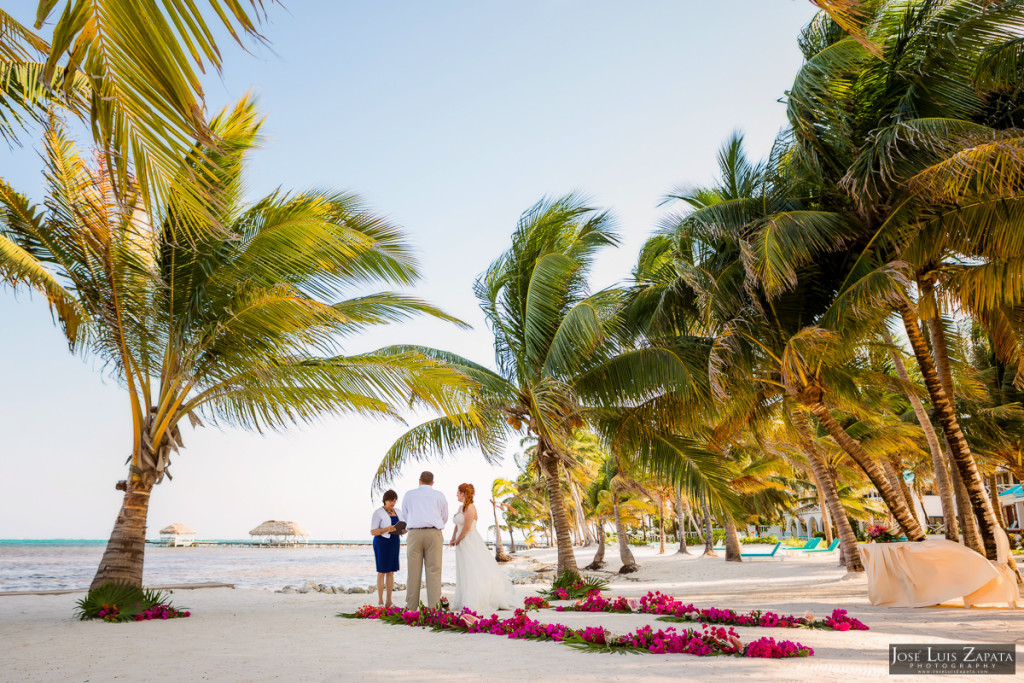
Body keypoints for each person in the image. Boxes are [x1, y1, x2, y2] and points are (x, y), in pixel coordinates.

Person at [450, 482, 516, 614]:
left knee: (473, 568)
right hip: (461, 542)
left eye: (458, 492)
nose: (456, 494)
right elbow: (457, 525)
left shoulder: (470, 507)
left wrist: (458, 539)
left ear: (463, 493)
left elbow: (467, 527)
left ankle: (476, 599)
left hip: (469, 541)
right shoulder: (460, 507)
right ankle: (463, 598)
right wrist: (453, 538)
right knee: (463, 569)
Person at [402, 471, 448, 610]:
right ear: (432, 483)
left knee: (413, 572)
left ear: (419, 480)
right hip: (434, 533)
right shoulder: (439, 495)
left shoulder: (409, 495)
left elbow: (405, 515)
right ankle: (434, 609)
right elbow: (444, 516)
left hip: (415, 533)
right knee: (434, 571)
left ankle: (411, 608)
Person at [369, 489, 404, 607]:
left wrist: (403, 530)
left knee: (391, 572)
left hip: (394, 541)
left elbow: (404, 525)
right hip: (381, 542)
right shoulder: (378, 513)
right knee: (381, 571)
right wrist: (387, 529)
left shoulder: (398, 511)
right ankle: (380, 600)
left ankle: (389, 601)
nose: (392, 503)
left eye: (394, 501)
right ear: (385, 500)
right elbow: (373, 531)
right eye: (390, 501)